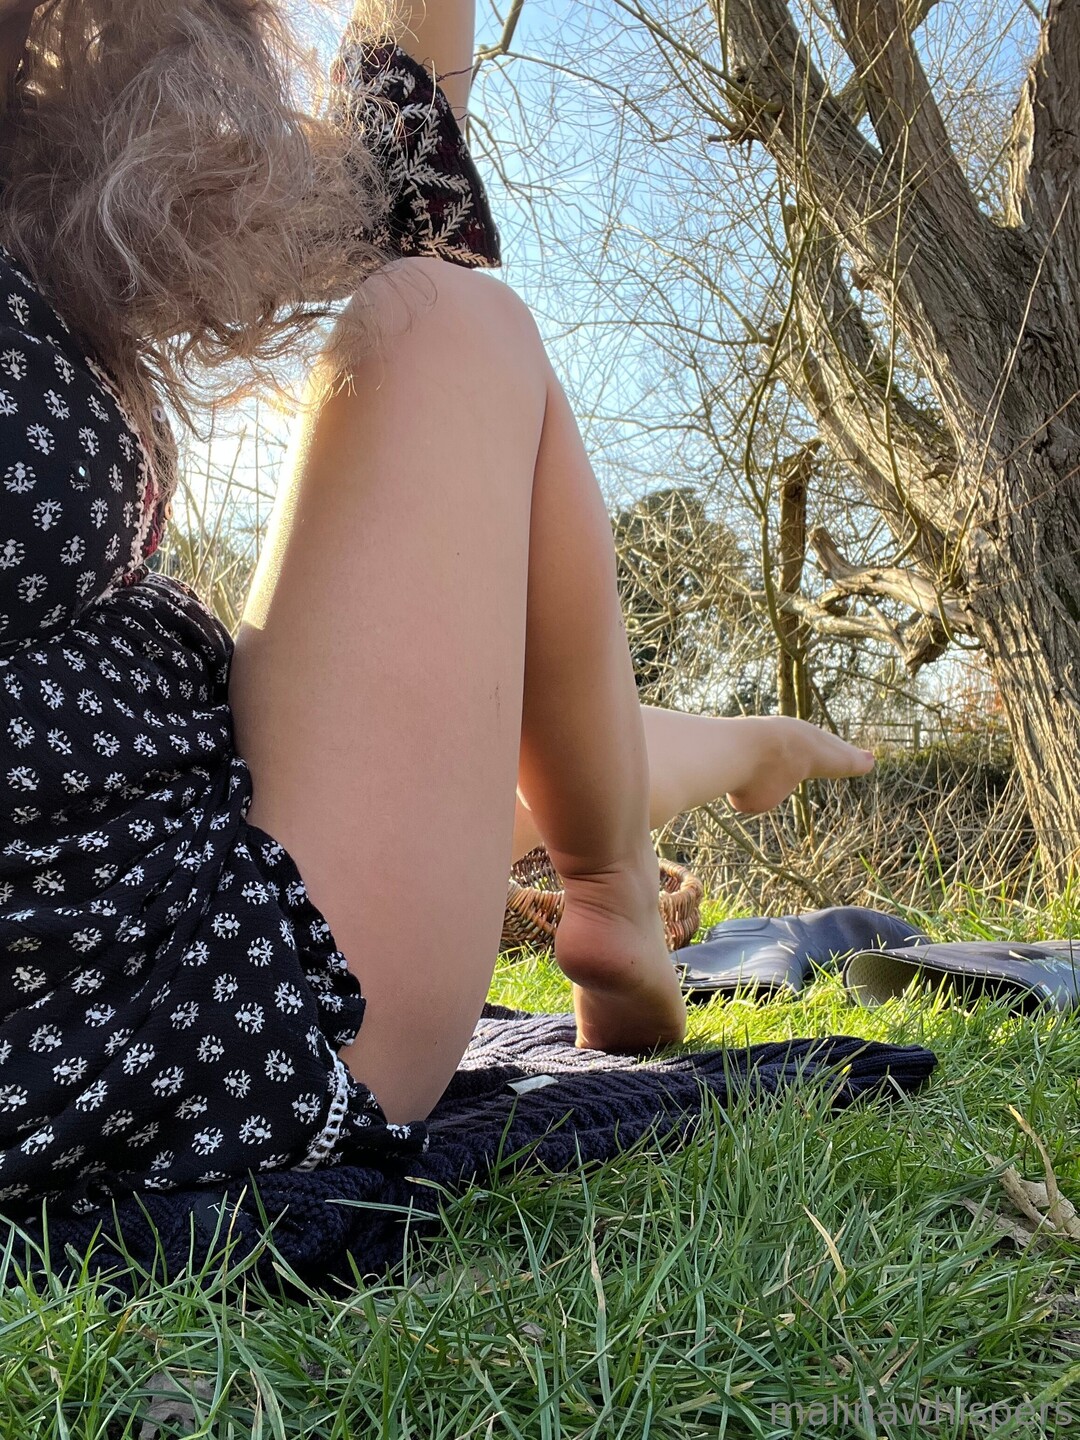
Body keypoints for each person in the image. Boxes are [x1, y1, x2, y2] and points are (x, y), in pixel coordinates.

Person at [0, 0, 873, 1216]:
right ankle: (613, 883)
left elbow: (388, 158)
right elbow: (401, 176)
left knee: (483, 739)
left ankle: (722, 758)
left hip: (134, 892)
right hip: (166, 1027)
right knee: (453, 324)